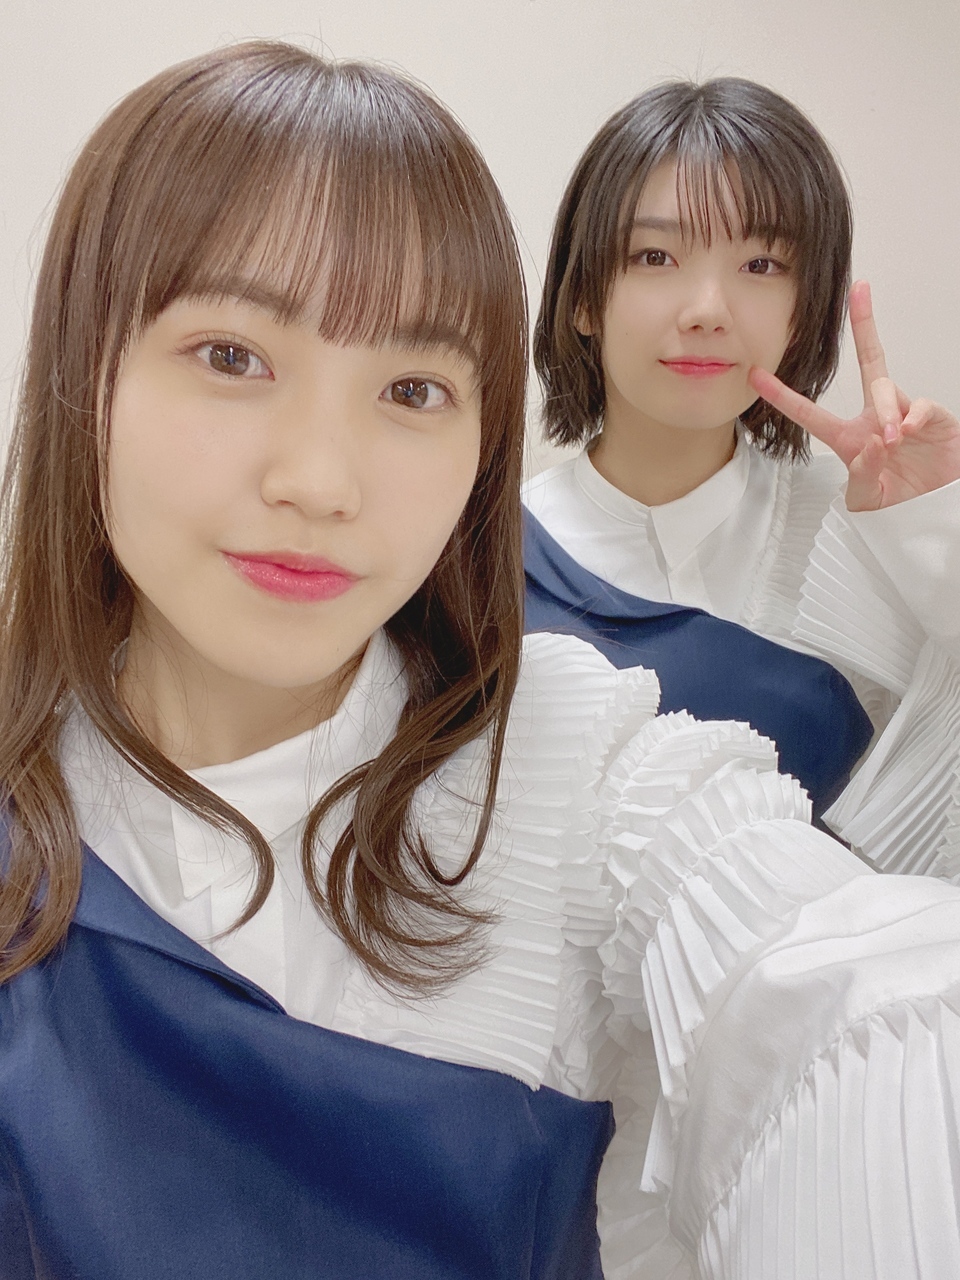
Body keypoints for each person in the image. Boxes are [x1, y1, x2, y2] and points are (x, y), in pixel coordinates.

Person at [2, 42, 960, 1280]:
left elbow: (847, 972)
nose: (322, 483)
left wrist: (926, 533)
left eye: (412, 387)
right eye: (232, 356)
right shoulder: (530, 557)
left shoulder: (579, 751)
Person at [525, 78, 960, 865]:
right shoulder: (483, 553)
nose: (707, 309)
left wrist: (937, 537)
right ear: (584, 296)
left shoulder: (866, 528)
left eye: (761, 263)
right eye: (655, 256)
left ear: (803, 310)